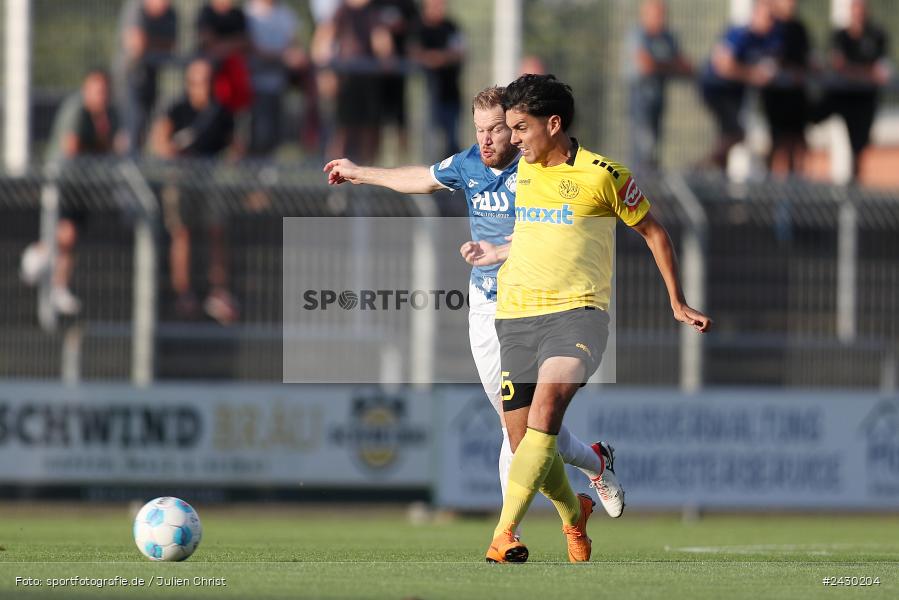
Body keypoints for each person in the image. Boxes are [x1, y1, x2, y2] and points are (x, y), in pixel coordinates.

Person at [323, 85, 625, 527]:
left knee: (520, 427)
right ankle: (595, 463)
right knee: (523, 429)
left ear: (516, 128)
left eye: (497, 129)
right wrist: (359, 173)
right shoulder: (469, 164)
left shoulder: (539, 169)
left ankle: (508, 533)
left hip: (537, 304)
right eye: (479, 129)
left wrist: (503, 250)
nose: (486, 139)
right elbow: (422, 178)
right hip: (487, 308)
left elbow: (557, 231)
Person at [467, 74, 710, 563]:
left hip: (577, 316)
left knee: (545, 414)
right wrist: (496, 250)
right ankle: (573, 513)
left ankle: (503, 533)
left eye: (520, 128)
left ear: (553, 124)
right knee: (525, 442)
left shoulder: (604, 176)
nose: (512, 139)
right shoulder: (523, 169)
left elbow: (654, 232)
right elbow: (534, 233)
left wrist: (677, 301)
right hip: (516, 315)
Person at [20, 69, 124, 316]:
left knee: (72, 238)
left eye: (104, 91)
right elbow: (72, 149)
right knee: (66, 232)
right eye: (96, 90)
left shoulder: (109, 115)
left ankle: (58, 285)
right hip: (63, 182)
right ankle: (36, 255)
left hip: (84, 185)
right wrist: (102, 144)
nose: (101, 96)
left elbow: (115, 148)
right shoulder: (77, 111)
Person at [150, 58, 240, 324]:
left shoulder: (221, 112)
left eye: (208, 81)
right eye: (199, 81)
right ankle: (184, 292)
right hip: (181, 179)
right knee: (182, 233)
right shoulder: (177, 109)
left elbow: (235, 148)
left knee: (217, 231)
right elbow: (160, 142)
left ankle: (218, 292)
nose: (204, 87)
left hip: (211, 180)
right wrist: (176, 152)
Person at [699, 0, 780, 170]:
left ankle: (715, 173)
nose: (771, 22)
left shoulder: (769, 39)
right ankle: (701, 168)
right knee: (735, 133)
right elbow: (723, 65)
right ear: (756, 14)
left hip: (736, 95)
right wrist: (751, 75)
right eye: (768, 17)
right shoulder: (740, 34)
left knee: (730, 135)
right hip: (718, 90)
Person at [312, 0, 393, 164]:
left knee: (369, 130)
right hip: (346, 81)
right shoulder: (341, 11)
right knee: (343, 130)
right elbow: (322, 43)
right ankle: (336, 173)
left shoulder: (373, 12)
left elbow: (383, 44)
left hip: (369, 82)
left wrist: (385, 58)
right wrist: (326, 74)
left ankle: (366, 174)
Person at [824, 0, 891, 181]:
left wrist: (856, 73)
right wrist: (865, 74)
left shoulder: (876, 35)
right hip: (842, 99)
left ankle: (855, 185)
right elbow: (839, 66)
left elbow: (880, 70)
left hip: (865, 100)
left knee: (859, 147)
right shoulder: (840, 36)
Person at [624, 0, 692, 174]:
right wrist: (670, 65)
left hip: (658, 97)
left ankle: (649, 181)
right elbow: (646, 65)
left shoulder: (667, 37)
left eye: (663, 15)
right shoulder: (638, 35)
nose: (661, 19)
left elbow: (686, 67)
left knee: (654, 144)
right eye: (657, 15)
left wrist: (661, 65)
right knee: (643, 143)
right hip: (640, 98)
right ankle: (639, 181)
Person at [244, 0, 307, 156]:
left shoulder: (286, 14)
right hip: (254, 86)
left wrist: (297, 56)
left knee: (275, 138)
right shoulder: (249, 13)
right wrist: (283, 57)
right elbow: (252, 48)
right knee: (258, 137)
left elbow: (294, 44)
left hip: (279, 86)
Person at [115, 0, 178, 154]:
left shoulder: (170, 13)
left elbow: (170, 47)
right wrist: (156, 45)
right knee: (131, 125)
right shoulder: (136, 7)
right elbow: (137, 47)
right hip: (128, 78)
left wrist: (147, 44)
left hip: (151, 77)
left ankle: (134, 161)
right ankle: (128, 163)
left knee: (145, 127)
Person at [762, 0, 811, 176]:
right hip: (775, 96)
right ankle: (768, 183)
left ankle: (794, 183)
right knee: (777, 141)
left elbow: (806, 58)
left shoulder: (799, 28)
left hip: (796, 95)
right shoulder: (770, 26)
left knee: (797, 141)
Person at [413, 0, 464, 159]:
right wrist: (433, 58)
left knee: (451, 142)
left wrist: (439, 58)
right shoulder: (417, 28)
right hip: (424, 97)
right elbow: (413, 53)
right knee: (428, 140)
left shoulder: (451, 27)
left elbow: (458, 53)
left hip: (450, 93)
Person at [375, 0, 419, 159]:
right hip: (375, 74)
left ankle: (403, 159)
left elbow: (416, 27)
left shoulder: (407, 4)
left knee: (401, 118)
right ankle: (374, 160)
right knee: (376, 120)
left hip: (399, 72)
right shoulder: (374, 4)